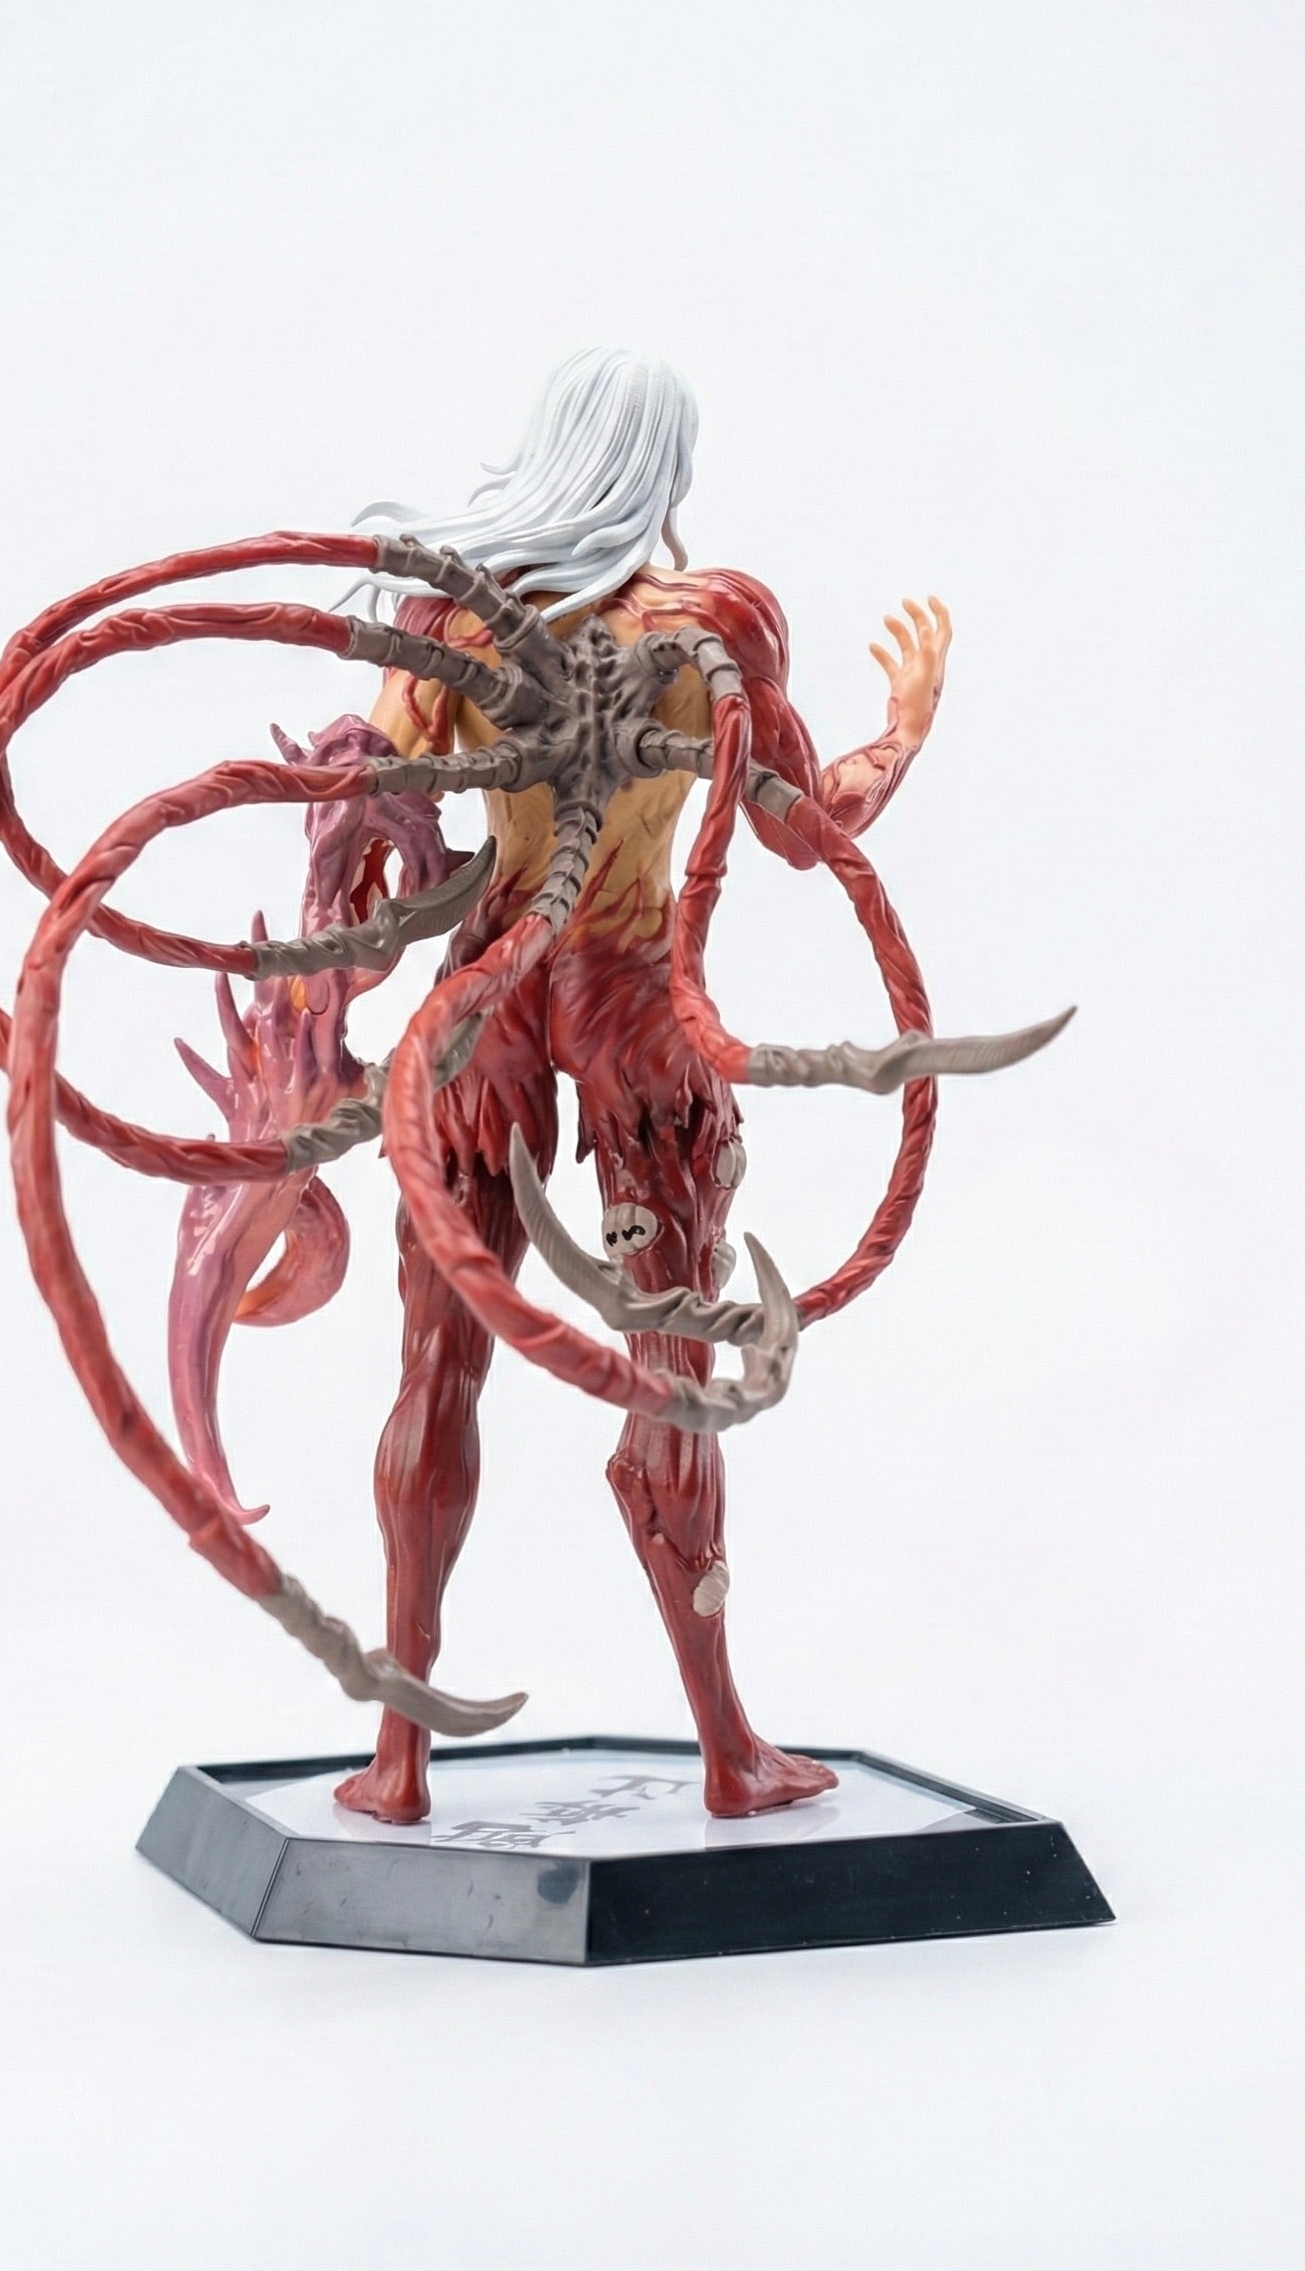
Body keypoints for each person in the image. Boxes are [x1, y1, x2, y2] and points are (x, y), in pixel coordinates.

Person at [334, 347, 951, 1821]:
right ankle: (730, 1754)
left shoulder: (447, 628)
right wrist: (907, 728)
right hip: (627, 1006)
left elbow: (369, 845)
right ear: (666, 471)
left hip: (489, 1001)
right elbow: (809, 824)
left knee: (435, 1370)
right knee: (673, 1379)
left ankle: (399, 1764)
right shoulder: (708, 620)